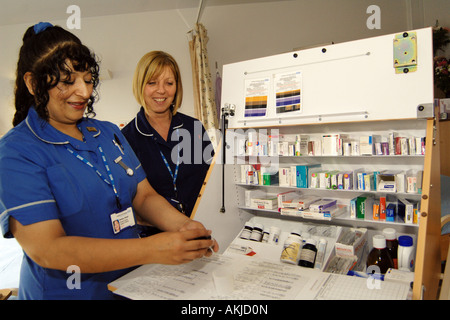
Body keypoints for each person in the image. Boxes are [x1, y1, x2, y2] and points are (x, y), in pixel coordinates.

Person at [0, 23, 217, 300]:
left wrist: (182, 226)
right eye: (68, 81)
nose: (84, 92)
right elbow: (48, 249)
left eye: (88, 80)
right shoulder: (17, 151)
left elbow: (143, 194)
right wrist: (153, 249)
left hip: (128, 285)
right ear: (33, 83)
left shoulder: (107, 133)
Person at [122, 51, 214, 236]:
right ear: (140, 85)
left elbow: (211, 180)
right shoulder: (127, 138)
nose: (161, 90)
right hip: (155, 237)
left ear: (177, 87)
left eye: (169, 83)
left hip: (200, 226)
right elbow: (132, 199)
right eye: (152, 82)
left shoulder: (193, 128)